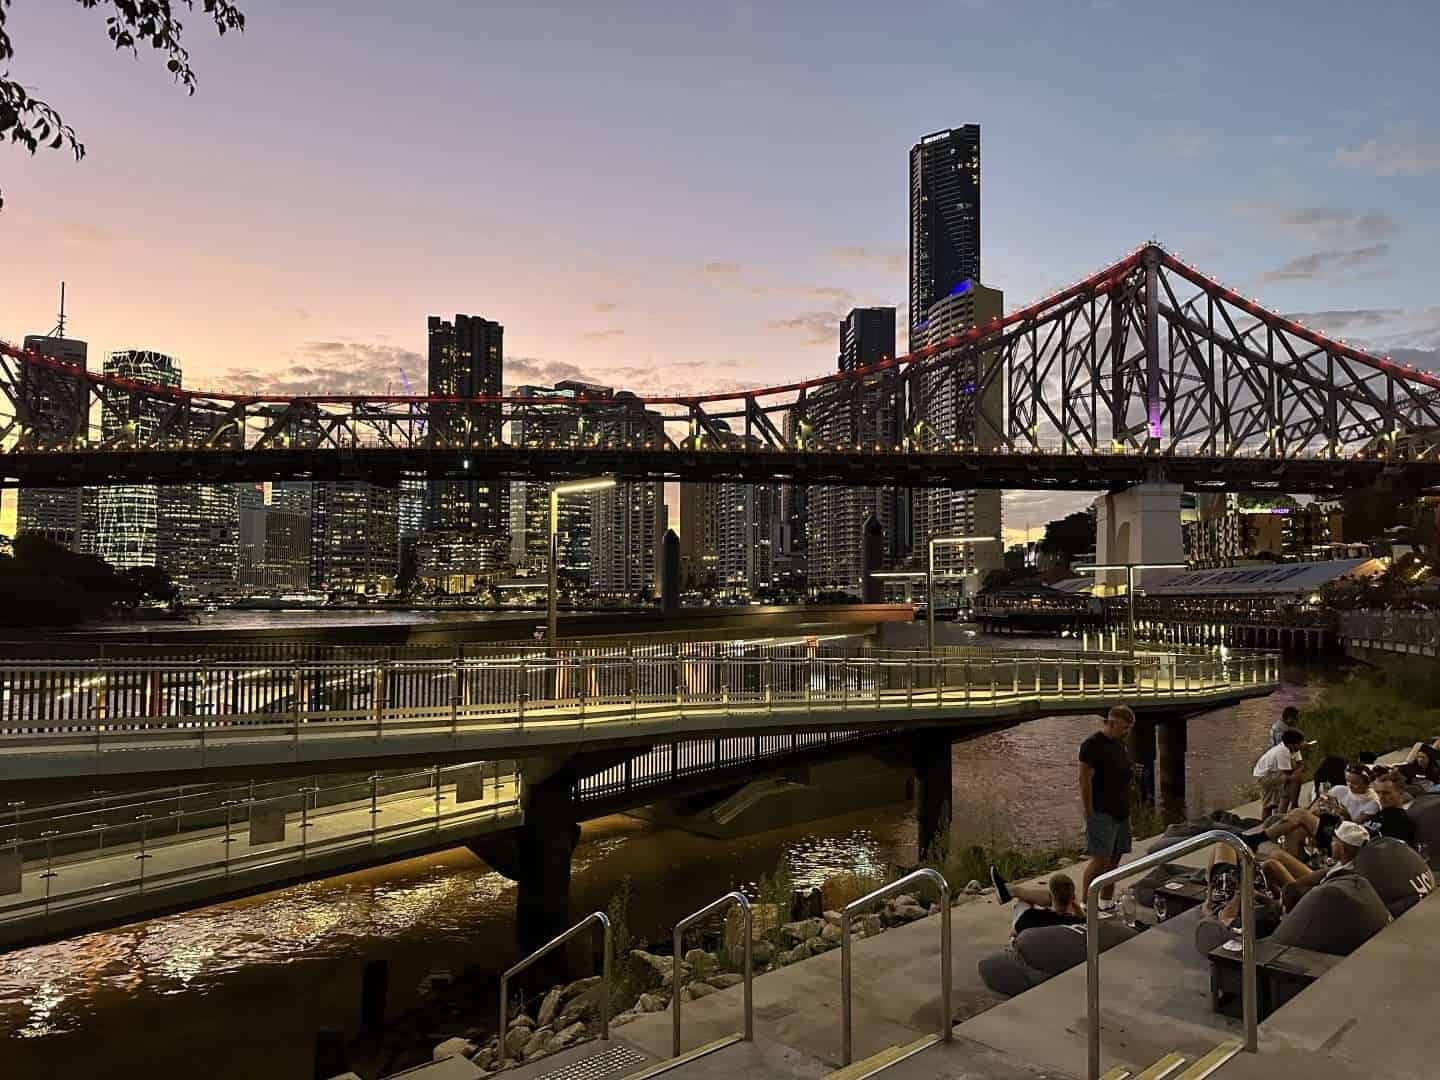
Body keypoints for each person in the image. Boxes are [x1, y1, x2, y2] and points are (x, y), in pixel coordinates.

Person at [1254, 763, 1377, 858]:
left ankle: (1257, 839)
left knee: (1299, 813)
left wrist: (1342, 812)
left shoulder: (1371, 803)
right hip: (1325, 823)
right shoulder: (1340, 790)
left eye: (1355, 783)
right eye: (1348, 781)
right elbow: (1314, 806)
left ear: (1367, 783)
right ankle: (1290, 864)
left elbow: (1356, 828)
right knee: (1296, 831)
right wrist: (1319, 807)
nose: (1350, 786)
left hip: (1342, 834)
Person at [1079, 704, 1136, 911]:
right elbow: (1083, 779)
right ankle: (1086, 903)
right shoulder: (1092, 744)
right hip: (1102, 810)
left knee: (1116, 857)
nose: (1126, 732)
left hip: (1121, 809)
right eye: (1123, 728)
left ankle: (1106, 901)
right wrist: (1088, 811)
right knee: (1100, 860)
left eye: (1128, 729)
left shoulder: (1120, 744)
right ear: (1111, 723)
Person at [989, 868, 1085, 936]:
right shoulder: (1078, 923)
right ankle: (1010, 891)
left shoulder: (1031, 916)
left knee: (1023, 901)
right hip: (1061, 954)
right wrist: (1075, 906)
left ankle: (1011, 891)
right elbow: (1082, 917)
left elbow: (1013, 935)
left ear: (1051, 897)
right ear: (1072, 897)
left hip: (1029, 946)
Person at [1253, 728, 1307, 815]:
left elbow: (1302, 765)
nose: (1302, 745)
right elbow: (1288, 771)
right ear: (1291, 744)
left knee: (1295, 778)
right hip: (1264, 776)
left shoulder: (1294, 749)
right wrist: (1297, 767)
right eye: (1300, 744)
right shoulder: (1282, 750)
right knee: (1269, 804)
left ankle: (1289, 806)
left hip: (1276, 773)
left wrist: (1297, 767)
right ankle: (1269, 819)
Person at [1364, 771, 1418, 847]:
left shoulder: (1404, 822)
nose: (1381, 797)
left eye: (1386, 793)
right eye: (1378, 792)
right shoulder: (1377, 814)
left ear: (1400, 793)